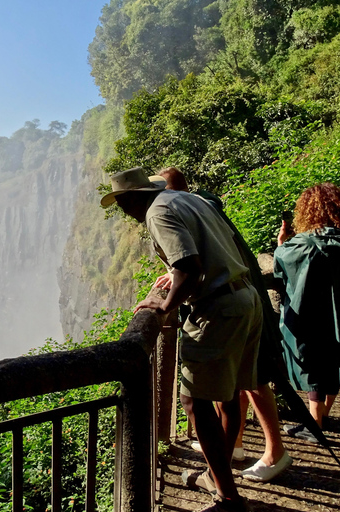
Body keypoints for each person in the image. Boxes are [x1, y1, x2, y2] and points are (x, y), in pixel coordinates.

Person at [101, 167, 261, 512]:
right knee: (229, 393)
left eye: (119, 203)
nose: (122, 211)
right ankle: (218, 476)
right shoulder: (188, 199)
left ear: (130, 200)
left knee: (194, 401)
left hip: (217, 308)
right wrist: (175, 275)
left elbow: (188, 264)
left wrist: (165, 305)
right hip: (245, 298)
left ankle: (229, 498)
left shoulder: (157, 212)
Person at [158, 167, 292, 483]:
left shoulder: (191, 208)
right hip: (242, 293)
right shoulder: (201, 206)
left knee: (255, 377)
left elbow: (198, 260)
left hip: (234, 299)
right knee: (234, 380)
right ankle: (235, 446)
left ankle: (275, 451)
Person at [274, 182, 340, 441]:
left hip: (308, 313)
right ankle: (321, 416)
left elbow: (280, 268)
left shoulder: (301, 243)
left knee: (311, 360)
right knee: (336, 358)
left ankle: (315, 424)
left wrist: (280, 244)